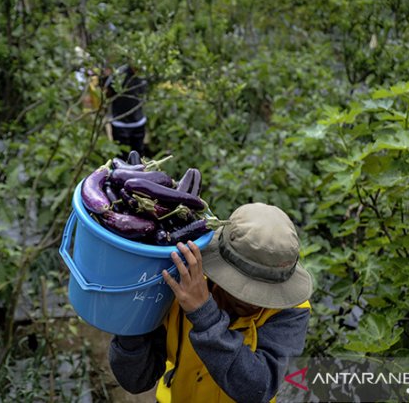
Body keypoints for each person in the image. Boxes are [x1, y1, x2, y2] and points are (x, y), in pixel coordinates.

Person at [108, 203, 313, 403]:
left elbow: (259, 387)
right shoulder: (182, 283)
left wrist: (204, 314)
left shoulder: (291, 311)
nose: (250, 302)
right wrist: (131, 319)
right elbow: (136, 380)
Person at [102, 64, 148, 157]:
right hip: (120, 124)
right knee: (121, 157)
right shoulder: (119, 74)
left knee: (139, 155)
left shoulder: (145, 72)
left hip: (138, 122)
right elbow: (107, 93)